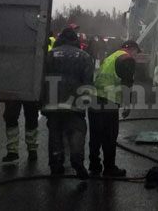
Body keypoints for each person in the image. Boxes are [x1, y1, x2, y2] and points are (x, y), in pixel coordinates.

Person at [42, 27, 94, 178]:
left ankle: (56, 164)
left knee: (55, 133)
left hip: (52, 102)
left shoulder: (50, 55)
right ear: (75, 40)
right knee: (77, 130)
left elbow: (41, 78)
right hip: (74, 104)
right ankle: (77, 160)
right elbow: (88, 82)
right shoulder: (84, 56)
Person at [88, 40, 140, 177]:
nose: (136, 56)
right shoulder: (127, 59)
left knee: (95, 135)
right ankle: (109, 168)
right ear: (132, 49)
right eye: (136, 53)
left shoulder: (111, 57)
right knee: (109, 136)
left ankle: (94, 166)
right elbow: (127, 84)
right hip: (109, 102)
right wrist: (127, 105)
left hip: (94, 99)